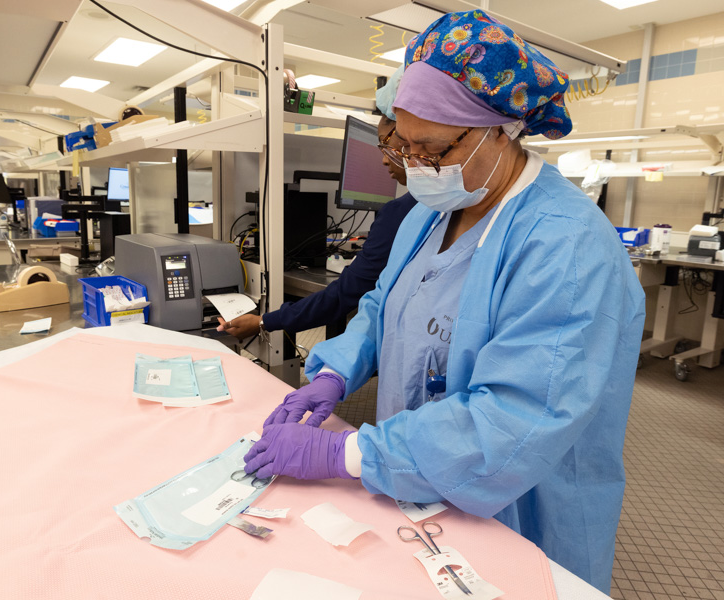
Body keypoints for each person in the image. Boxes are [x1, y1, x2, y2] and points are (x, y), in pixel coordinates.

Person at [243, 10, 645, 594]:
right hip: (422, 475)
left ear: (499, 130)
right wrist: (334, 372)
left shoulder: (566, 244)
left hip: (522, 502)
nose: (413, 166)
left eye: (431, 149)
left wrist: (346, 454)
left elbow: (513, 420)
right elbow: (384, 306)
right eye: (403, 146)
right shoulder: (430, 218)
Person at [217, 68, 416, 340]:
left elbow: (346, 292)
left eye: (387, 145)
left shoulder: (405, 211)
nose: (383, 159)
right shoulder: (428, 206)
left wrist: (264, 321)